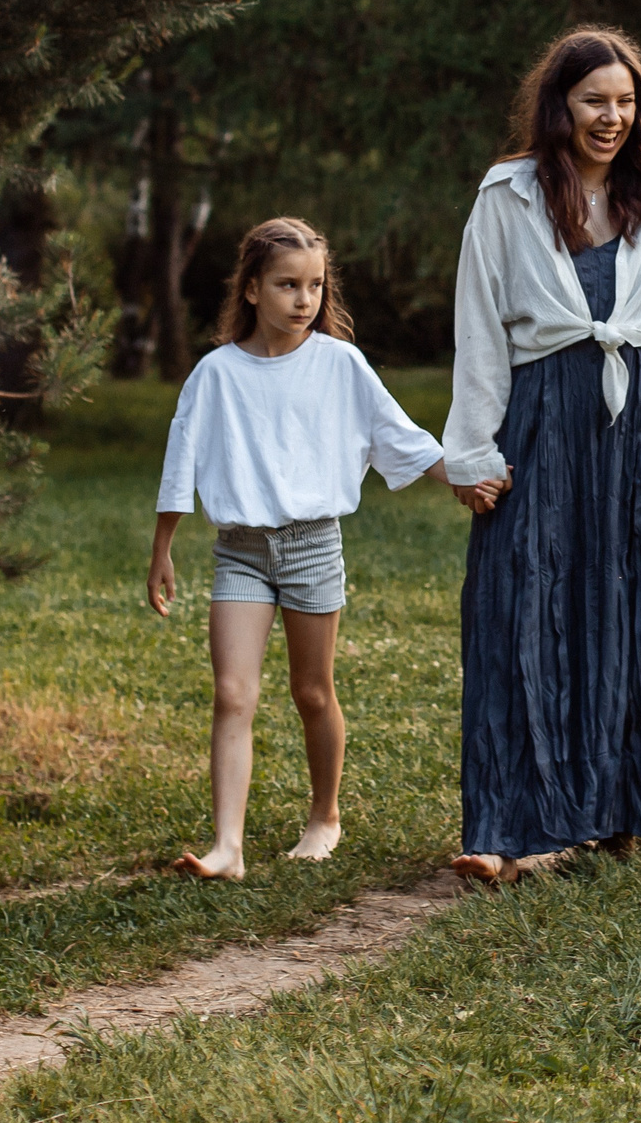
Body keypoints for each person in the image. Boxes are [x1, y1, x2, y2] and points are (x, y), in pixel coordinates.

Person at [443, 26, 641, 883]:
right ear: (560, 105)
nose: (612, 117)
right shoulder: (507, 196)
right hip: (543, 415)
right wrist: (470, 449)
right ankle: (506, 825)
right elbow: (478, 329)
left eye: (625, 101)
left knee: (635, 605)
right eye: (594, 101)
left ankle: (624, 805)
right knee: (523, 603)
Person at [148, 217, 452, 881]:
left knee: (312, 692)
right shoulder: (216, 374)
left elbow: (399, 436)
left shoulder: (341, 364)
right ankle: (228, 846)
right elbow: (182, 457)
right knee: (232, 693)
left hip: (315, 549)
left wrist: (466, 477)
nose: (303, 298)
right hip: (241, 554)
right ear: (252, 288)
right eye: (288, 284)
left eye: (314, 285)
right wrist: (164, 545)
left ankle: (326, 815)